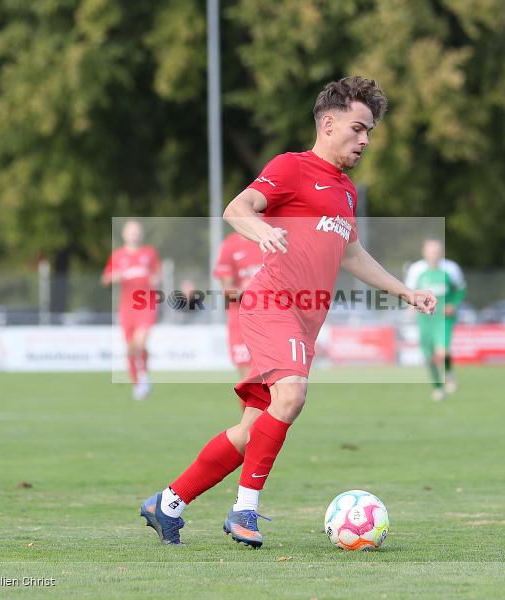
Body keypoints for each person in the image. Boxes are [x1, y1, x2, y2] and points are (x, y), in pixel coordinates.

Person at [139, 76, 436, 547]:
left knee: (251, 429)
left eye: (370, 132)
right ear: (329, 122)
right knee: (293, 397)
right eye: (358, 128)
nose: (365, 139)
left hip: (306, 320)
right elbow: (237, 209)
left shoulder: (346, 191)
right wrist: (262, 231)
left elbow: (353, 255)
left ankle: (168, 503)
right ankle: (244, 512)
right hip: (270, 303)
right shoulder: (292, 167)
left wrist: (405, 291)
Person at [103, 220, 161, 400]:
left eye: (137, 231)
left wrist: (155, 280)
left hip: (145, 304)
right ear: (124, 235)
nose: (134, 234)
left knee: (140, 342)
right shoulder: (118, 255)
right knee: (130, 348)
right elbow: (105, 279)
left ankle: (143, 375)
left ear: (141, 234)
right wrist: (116, 276)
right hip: (126, 308)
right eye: (131, 231)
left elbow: (158, 274)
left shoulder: (149, 253)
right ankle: (138, 383)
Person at [405, 240, 466, 393]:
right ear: (424, 252)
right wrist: (410, 306)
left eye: (437, 251)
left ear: (442, 252)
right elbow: (409, 291)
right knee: (428, 355)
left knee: (442, 351)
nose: (434, 254)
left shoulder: (451, 268)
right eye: (431, 251)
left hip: (444, 317)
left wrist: (453, 303)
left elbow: (461, 289)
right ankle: (438, 387)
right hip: (424, 318)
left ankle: (449, 373)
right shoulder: (416, 270)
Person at [213, 232, 263, 381]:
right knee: (250, 383)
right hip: (241, 319)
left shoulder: (272, 237)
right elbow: (227, 292)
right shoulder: (230, 245)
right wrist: (251, 290)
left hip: (271, 317)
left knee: (278, 385)